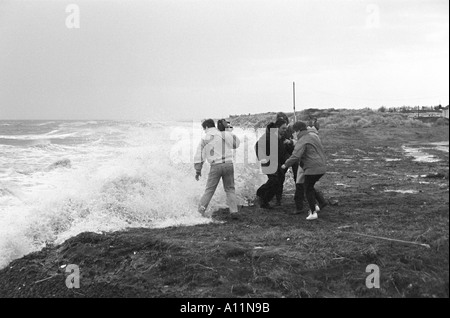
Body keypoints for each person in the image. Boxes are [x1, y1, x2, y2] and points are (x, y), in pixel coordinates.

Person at [194, 119, 241, 217]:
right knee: (230, 189)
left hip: (215, 165)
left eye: (204, 129)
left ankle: (200, 212)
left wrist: (198, 170)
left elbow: (199, 155)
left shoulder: (205, 138)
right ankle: (234, 211)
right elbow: (236, 145)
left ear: (206, 127)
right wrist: (229, 132)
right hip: (228, 163)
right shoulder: (224, 134)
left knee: (209, 190)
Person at [282, 121, 327, 220]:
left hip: (312, 167)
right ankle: (319, 203)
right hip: (322, 166)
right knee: (309, 186)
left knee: (307, 189)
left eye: (294, 132)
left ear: (297, 131)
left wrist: (285, 165)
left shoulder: (302, 140)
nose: (293, 134)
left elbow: (296, 155)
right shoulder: (313, 136)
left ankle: (313, 213)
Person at [255, 118, 289, 209]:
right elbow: (257, 145)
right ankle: (260, 193)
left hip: (278, 163)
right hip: (268, 162)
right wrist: (262, 158)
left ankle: (269, 200)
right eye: (283, 128)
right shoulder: (269, 136)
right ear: (277, 128)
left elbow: (284, 150)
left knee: (280, 181)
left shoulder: (282, 137)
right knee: (274, 180)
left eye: (286, 128)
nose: (285, 130)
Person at [274, 112, 297, 205]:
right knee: (280, 177)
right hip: (283, 156)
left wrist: (290, 141)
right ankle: (278, 199)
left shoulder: (291, 129)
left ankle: (300, 196)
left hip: (293, 155)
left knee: (298, 177)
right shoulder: (275, 131)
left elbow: (297, 140)